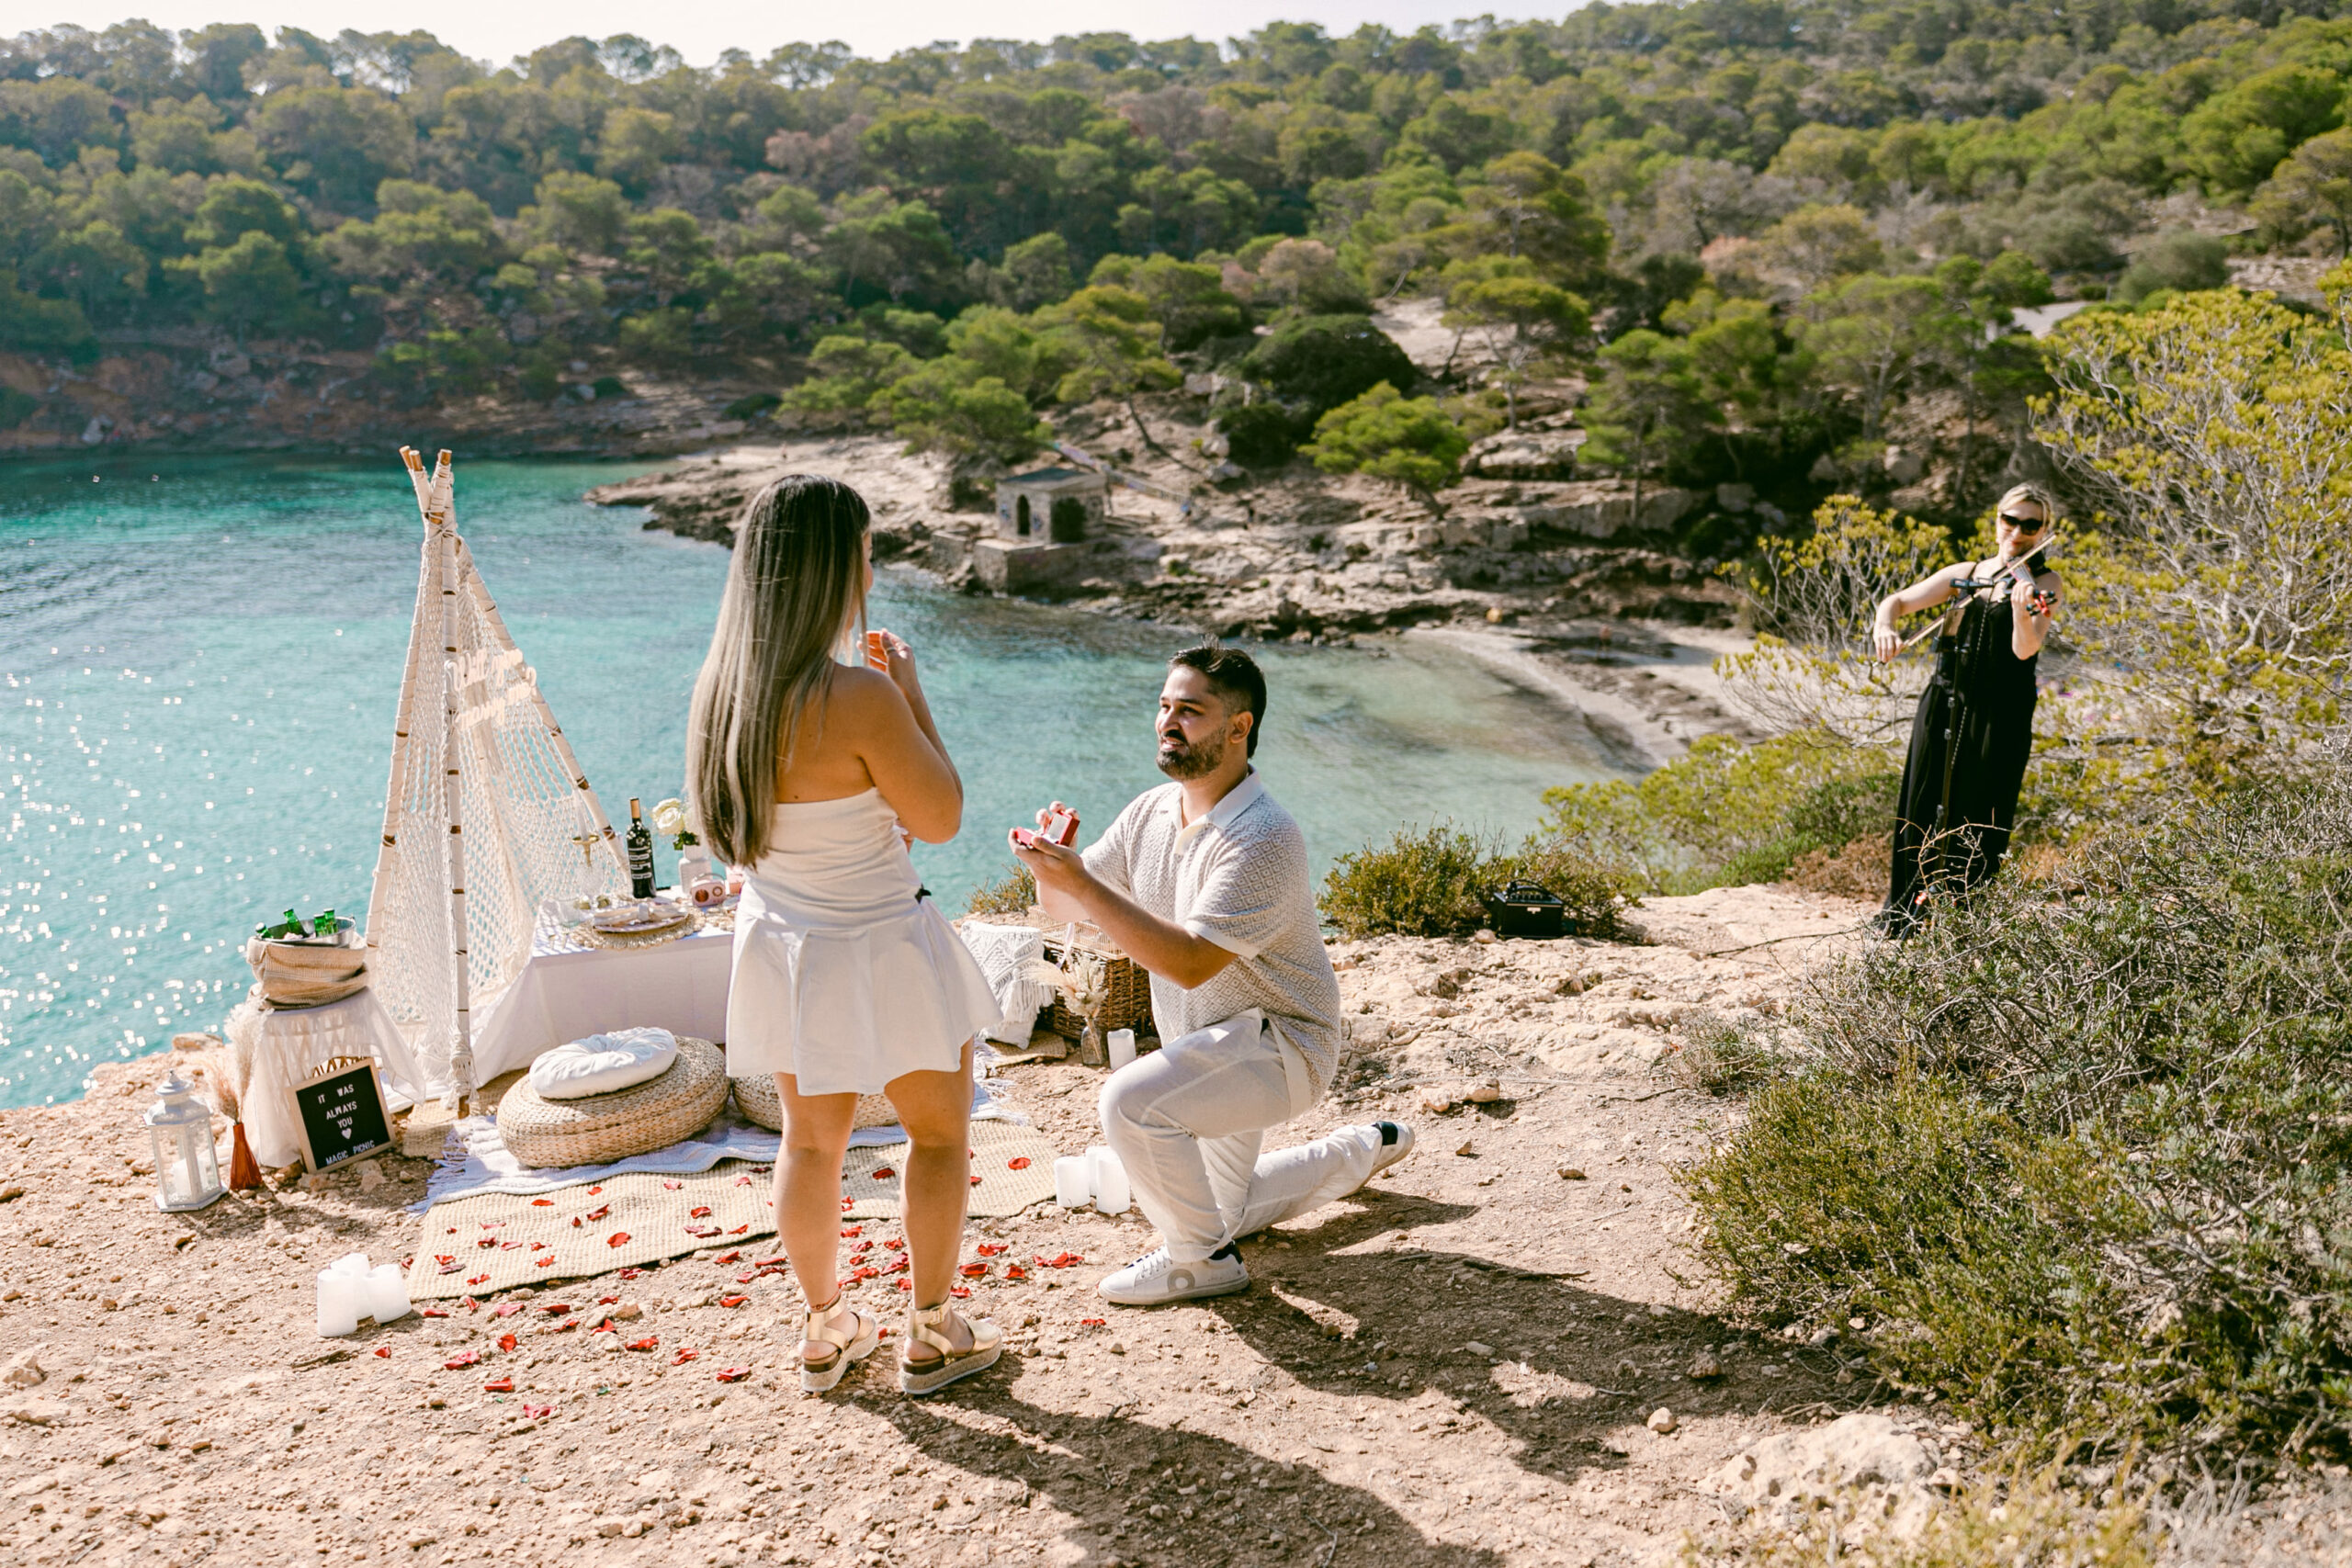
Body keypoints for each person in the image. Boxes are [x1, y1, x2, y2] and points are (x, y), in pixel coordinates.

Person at [685, 474, 1002, 1396]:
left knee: (809, 1143)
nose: (872, 566)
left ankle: (825, 1331)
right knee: (937, 1138)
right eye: (865, 550)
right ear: (831, 568)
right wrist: (908, 693)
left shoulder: (721, 696)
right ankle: (934, 1330)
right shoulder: (860, 695)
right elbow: (939, 815)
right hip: (883, 944)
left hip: (787, 946)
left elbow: (727, 837)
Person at [1012, 644, 1417, 1307]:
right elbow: (1066, 910)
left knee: (1129, 1105)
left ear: (1239, 727)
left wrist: (1083, 880)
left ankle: (1201, 1262)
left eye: (1190, 711)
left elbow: (1190, 962)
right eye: (1165, 706)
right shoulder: (1151, 810)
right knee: (1223, 1208)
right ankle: (1365, 1147)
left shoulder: (1263, 836)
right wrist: (1051, 866)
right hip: (1208, 1049)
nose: (1167, 723)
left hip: (1278, 1047)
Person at [1869, 482, 2065, 935]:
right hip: (1944, 702)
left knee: (1979, 809)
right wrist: (1885, 626)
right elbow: (1896, 601)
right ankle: (1904, 912)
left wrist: (2020, 609)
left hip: (2000, 712)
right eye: (2010, 520)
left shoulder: (2045, 584)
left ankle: (1960, 918)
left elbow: (2025, 649)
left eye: (2030, 524)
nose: (2017, 531)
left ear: (2043, 530)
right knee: (1922, 798)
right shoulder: (1969, 571)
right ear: (1997, 519)